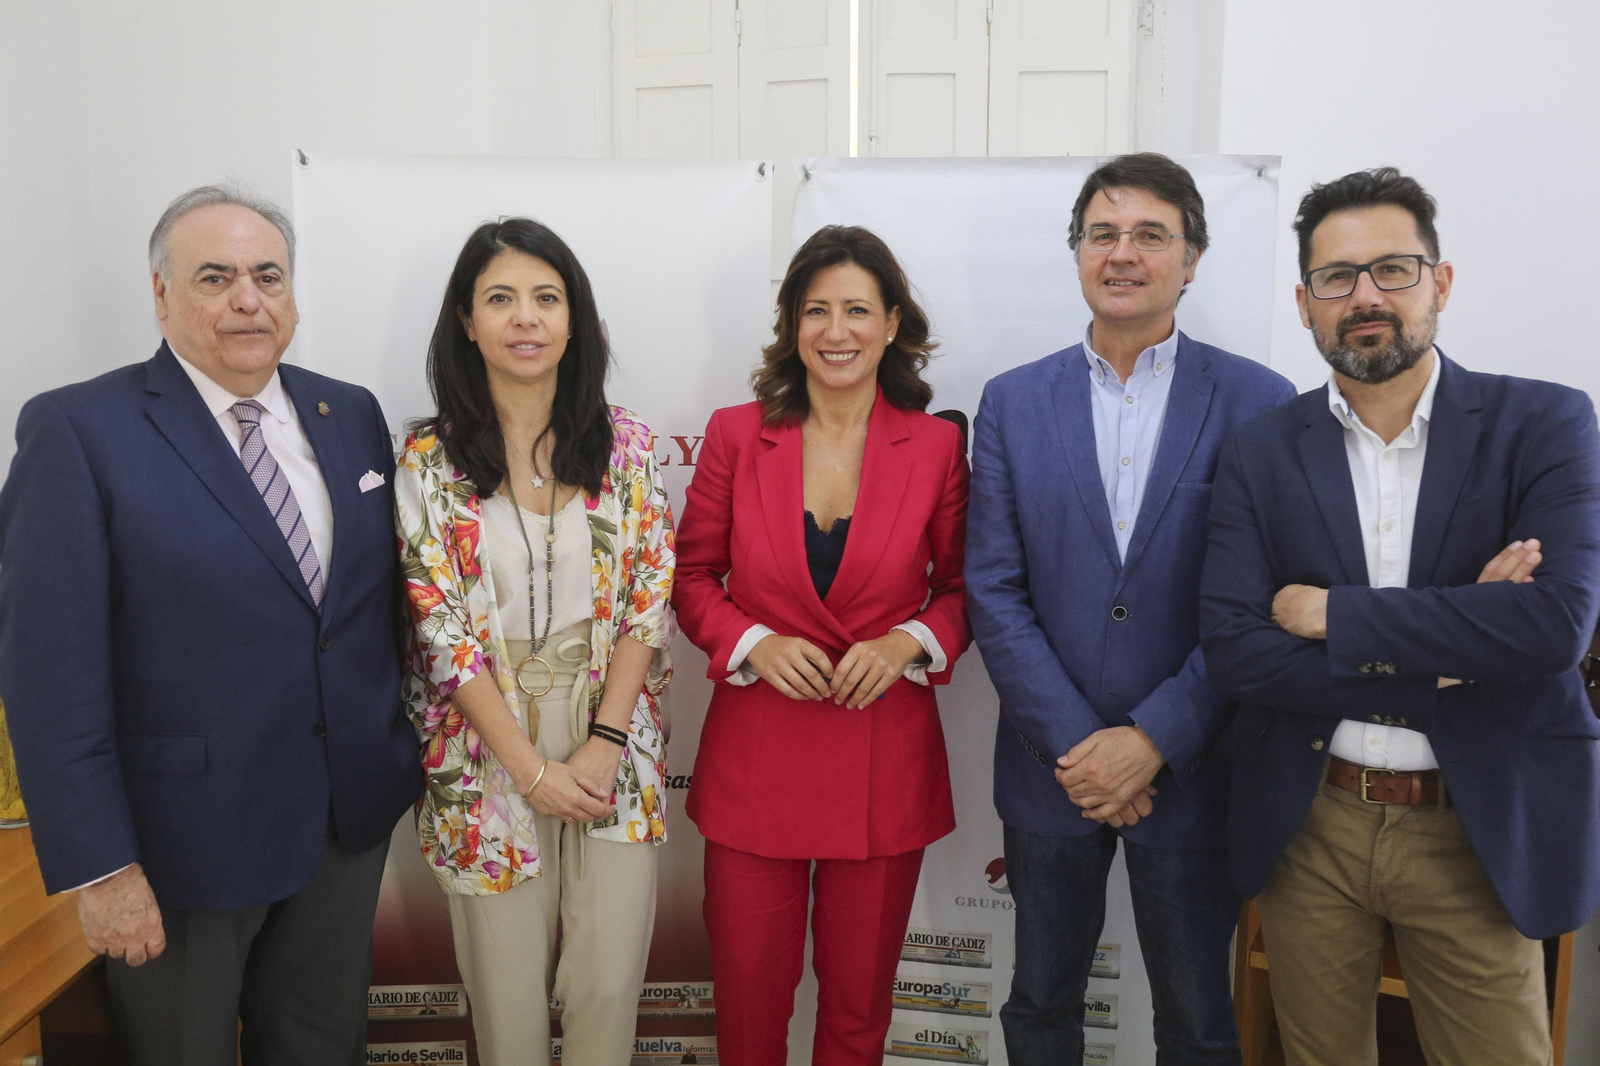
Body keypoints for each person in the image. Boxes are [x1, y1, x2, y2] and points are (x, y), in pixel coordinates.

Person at [0, 185, 420, 1063]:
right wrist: (102, 869)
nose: (247, 298)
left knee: (321, 1049)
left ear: (293, 294)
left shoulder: (351, 416)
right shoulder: (79, 429)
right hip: (181, 847)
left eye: (268, 275)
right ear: (161, 295)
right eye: (215, 276)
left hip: (342, 827)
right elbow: (49, 675)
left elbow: (364, 614)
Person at [1200, 167, 1600, 1066]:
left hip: (1477, 822)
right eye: (1336, 278)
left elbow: (1553, 629)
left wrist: (1331, 614)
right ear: (1305, 303)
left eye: (1393, 269)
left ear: (1441, 282)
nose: (1365, 296)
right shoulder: (1261, 450)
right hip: (1313, 824)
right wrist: (1456, 642)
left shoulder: (1543, 423)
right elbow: (1236, 652)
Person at [965, 153, 1296, 1065]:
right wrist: (1084, 749)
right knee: (1038, 1005)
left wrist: (1151, 740)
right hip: (1051, 770)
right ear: (1077, 253)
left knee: (1197, 1019)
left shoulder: (1260, 403)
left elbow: (1262, 601)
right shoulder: (1013, 402)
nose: (1124, 252)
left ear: (1192, 259)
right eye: (1103, 233)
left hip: (1191, 768)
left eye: (1151, 234)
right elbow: (993, 589)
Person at [674, 224, 970, 1064]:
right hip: (755, 766)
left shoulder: (939, 444)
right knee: (750, 1013)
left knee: (855, 1017)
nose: (836, 331)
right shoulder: (735, 434)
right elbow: (690, 575)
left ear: (891, 324)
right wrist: (751, 639)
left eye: (856, 311)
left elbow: (962, 589)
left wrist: (909, 640)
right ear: (791, 325)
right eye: (816, 311)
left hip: (883, 766)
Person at [396, 217, 676, 1066]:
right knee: (508, 1006)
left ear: (573, 319)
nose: (526, 318)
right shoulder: (428, 458)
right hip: (486, 750)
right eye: (502, 299)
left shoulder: (624, 443)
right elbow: (440, 629)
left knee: (605, 987)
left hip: (612, 743)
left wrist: (605, 742)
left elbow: (646, 600)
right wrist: (528, 768)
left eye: (546, 298)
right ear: (465, 319)